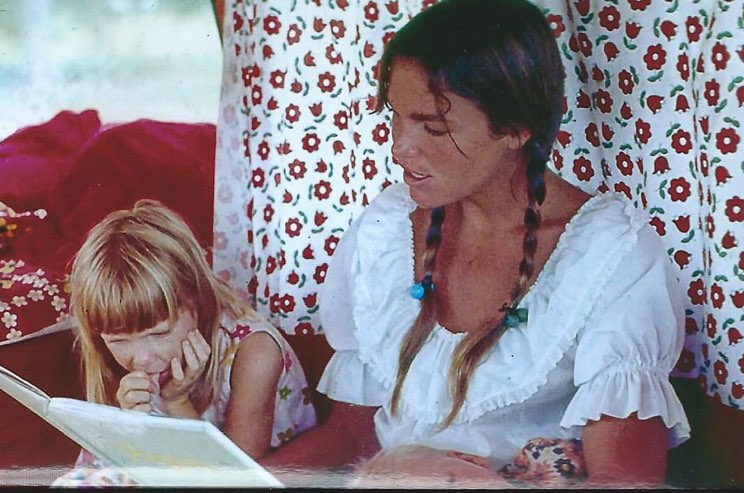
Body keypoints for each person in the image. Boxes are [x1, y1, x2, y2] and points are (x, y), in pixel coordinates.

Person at [261, 0, 690, 488]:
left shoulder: (613, 256)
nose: (400, 147)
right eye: (395, 117)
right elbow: (352, 439)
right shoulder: (386, 231)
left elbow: (624, 481)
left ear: (515, 129)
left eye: (433, 127)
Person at [51, 199, 316, 486]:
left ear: (197, 300)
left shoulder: (255, 353)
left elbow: (230, 478)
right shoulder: (116, 349)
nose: (141, 359)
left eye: (159, 334)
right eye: (119, 341)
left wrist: (177, 400)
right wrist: (128, 424)